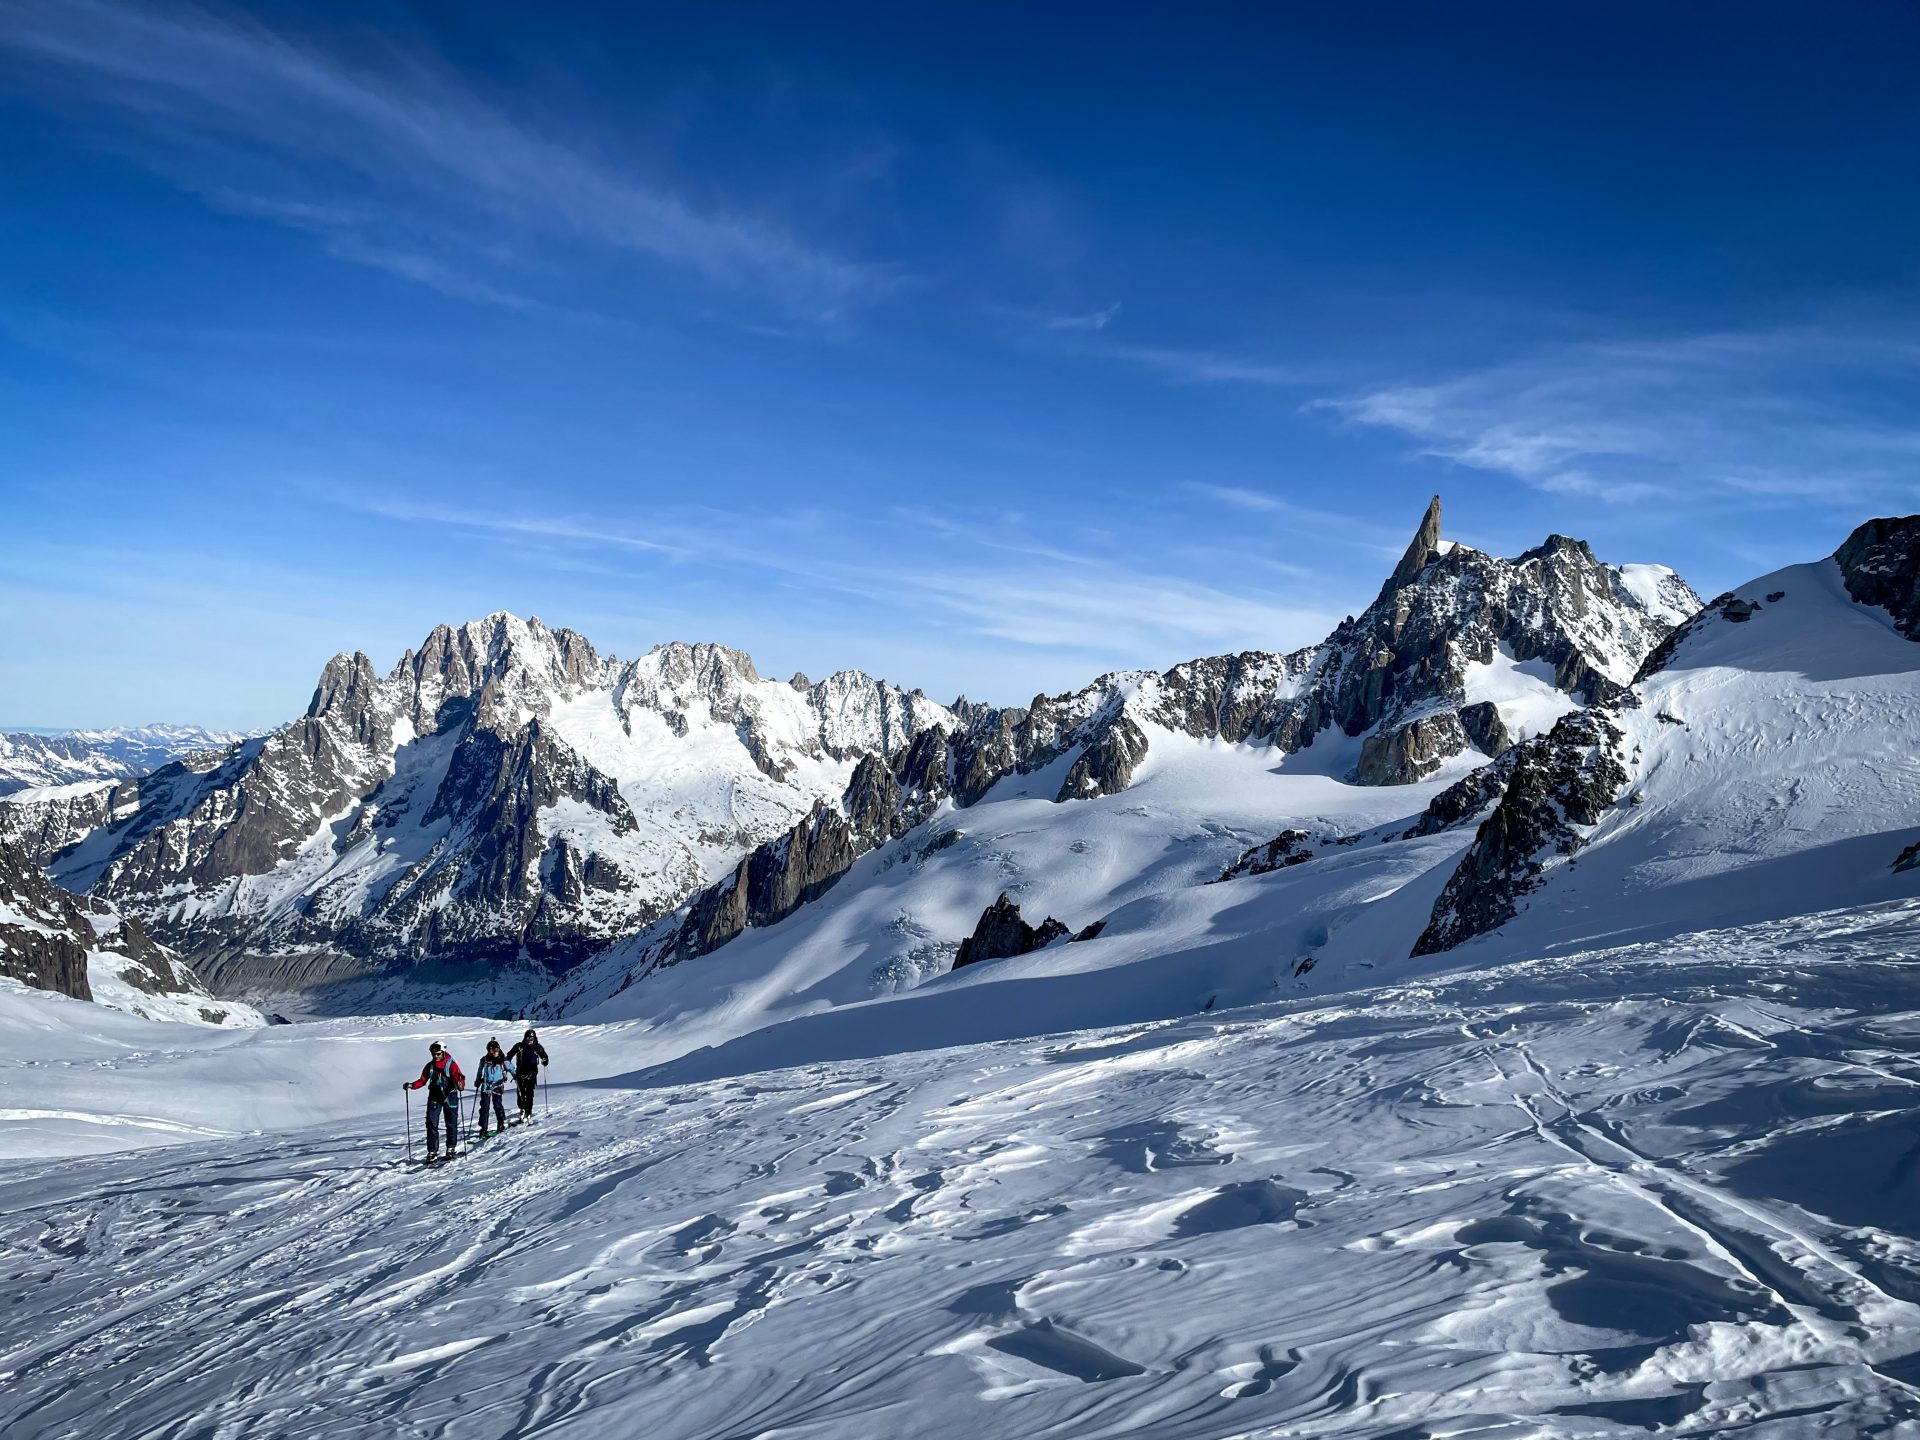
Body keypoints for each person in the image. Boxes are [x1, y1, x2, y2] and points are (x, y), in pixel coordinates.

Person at [405, 1041, 465, 1162]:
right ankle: (432, 1151)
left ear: (442, 1052)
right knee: (431, 1124)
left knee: (451, 1123)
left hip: (450, 1096)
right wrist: (411, 1085)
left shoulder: (451, 1065)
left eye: (438, 1054)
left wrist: (459, 1085)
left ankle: (450, 1149)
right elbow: (422, 1080)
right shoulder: (430, 1066)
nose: (435, 1056)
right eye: (434, 1054)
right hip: (434, 1097)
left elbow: (460, 1080)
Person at [505, 1028, 549, 1123]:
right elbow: (509, 1056)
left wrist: (545, 1061)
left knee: (529, 1093)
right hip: (520, 1073)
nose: (529, 1041)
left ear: (534, 1039)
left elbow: (545, 1057)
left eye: (531, 1039)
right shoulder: (519, 1046)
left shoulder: (538, 1047)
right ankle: (522, 1109)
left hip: (532, 1073)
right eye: (527, 1039)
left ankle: (528, 1112)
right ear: (525, 1038)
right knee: (520, 1093)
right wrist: (507, 1064)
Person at [474, 1039, 511, 1139]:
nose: (494, 1052)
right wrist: (477, 1080)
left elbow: (511, 1068)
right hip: (486, 1086)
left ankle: (501, 1123)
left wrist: (517, 1077)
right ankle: (483, 1128)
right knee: (484, 1107)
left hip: (498, 1086)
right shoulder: (484, 1060)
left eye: (496, 1049)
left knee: (497, 1105)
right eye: (492, 1050)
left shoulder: (503, 1060)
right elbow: (479, 1071)